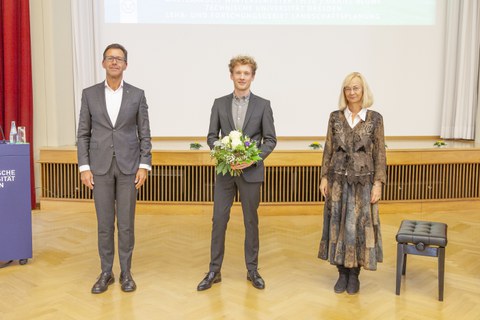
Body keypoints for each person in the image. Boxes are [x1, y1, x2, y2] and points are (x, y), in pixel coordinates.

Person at [197, 55, 277, 291]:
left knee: (251, 222)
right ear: (231, 75)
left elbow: (270, 139)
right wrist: (225, 156)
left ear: (252, 76)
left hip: (251, 173)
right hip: (225, 173)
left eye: (246, 73)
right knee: (219, 220)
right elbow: (212, 136)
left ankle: (252, 270)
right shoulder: (219, 103)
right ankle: (214, 270)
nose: (242, 77)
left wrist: (251, 160)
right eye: (238, 72)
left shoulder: (263, 105)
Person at [77, 43, 152, 294]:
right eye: (110, 58)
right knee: (104, 223)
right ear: (103, 63)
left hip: (130, 167)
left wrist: (144, 165)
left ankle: (126, 273)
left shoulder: (137, 95)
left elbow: (145, 133)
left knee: (127, 224)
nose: (114, 62)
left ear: (126, 65)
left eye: (119, 59)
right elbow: (83, 134)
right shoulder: (89, 94)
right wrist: (84, 167)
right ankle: (106, 272)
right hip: (99, 168)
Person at [318, 72, 386, 295]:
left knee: (358, 227)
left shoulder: (375, 118)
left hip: (363, 183)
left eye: (356, 88)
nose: (352, 92)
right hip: (337, 180)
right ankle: (341, 273)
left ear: (363, 91)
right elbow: (328, 149)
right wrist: (324, 177)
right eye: (348, 88)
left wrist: (378, 184)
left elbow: (380, 154)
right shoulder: (335, 117)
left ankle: (354, 275)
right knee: (337, 225)